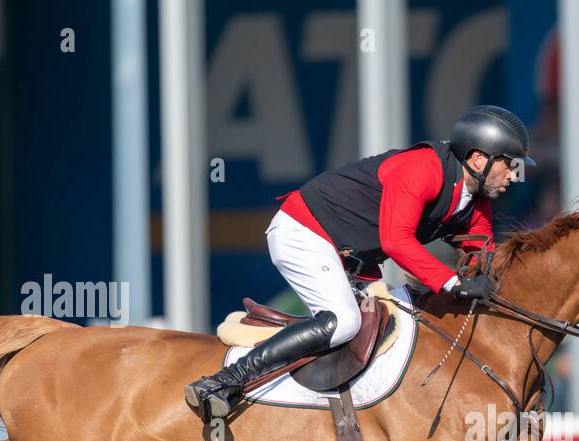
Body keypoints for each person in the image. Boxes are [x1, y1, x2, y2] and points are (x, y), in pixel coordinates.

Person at [185, 105, 531, 419]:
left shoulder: (475, 202)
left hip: (351, 256)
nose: (514, 176)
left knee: (404, 317)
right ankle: (225, 380)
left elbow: (482, 255)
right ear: (477, 159)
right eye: (509, 164)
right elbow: (396, 241)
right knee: (344, 321)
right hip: (304, 230)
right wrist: (454, 283)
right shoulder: (422, 169)